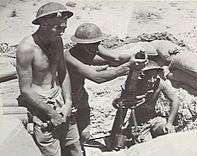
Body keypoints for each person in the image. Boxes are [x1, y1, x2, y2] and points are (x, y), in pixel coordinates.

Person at [16, 2, 83, 156]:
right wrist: (51, 114)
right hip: (40, 105)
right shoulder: (26, 49)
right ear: (44, 23)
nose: (61, 32)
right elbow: (26, 90)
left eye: (64, 28)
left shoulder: (57, 41)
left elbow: (63, 72)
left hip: (60, 99)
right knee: (51, 151)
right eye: (58, 28)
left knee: (74, 146)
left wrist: (68, 103)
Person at [64, 23, 148, 144]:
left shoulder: (94, 47)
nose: (96, 48)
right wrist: (128, 66)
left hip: (81, 96)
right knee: (71, 139)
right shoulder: (69, 56)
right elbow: (96, 77)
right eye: (92, 45)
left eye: (97, 43)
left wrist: (135, 57)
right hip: (67, 98)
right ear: (81, 44)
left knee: (84, 133)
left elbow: (116, 58)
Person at [111, 60, 179, 147]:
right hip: (138, 124)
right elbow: (119, 107)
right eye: (149, 77)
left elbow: (175, 100)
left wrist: (169, 123)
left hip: (155, 119)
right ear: (142, 76)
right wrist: (115, 134)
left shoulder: (160, 83)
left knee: (168, 132)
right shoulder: (133, 86)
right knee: (146, 146)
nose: (152, 80)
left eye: (154, 77)